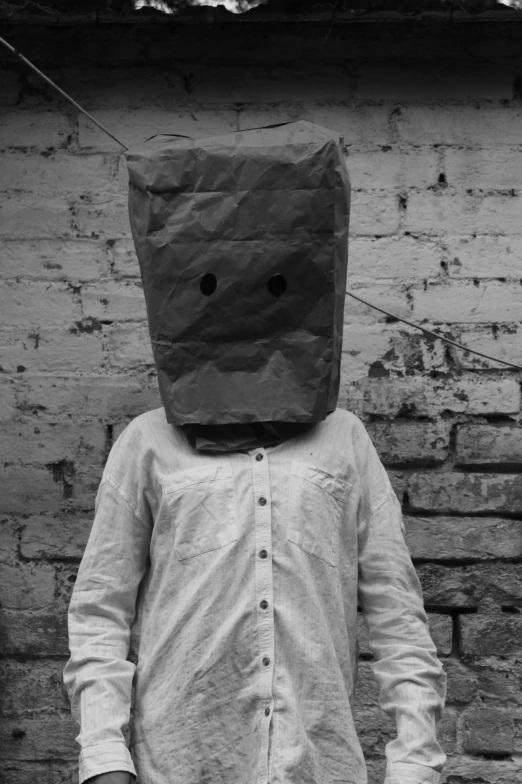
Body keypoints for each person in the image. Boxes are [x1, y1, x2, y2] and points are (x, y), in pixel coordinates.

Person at [64, 122, 447, 784]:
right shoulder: (146, 443)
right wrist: (104, 759)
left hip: (319, 766)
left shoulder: (345, 440)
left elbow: (397, 616)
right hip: (179, 766)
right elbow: (100, 611)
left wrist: (416, 765)